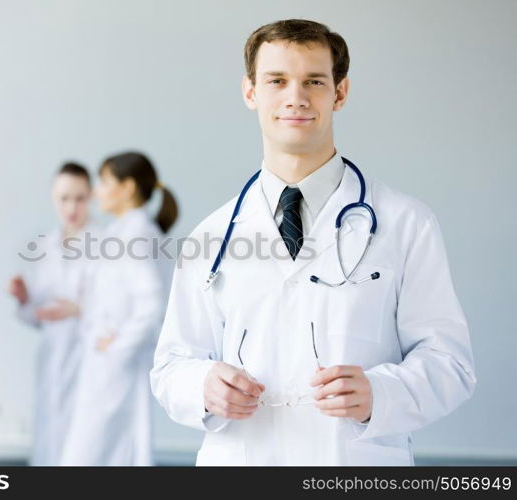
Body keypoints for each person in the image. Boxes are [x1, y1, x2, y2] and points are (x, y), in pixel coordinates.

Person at [150, 19, 476, 466]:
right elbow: (170, 366)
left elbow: (450, 364)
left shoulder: (406, 222)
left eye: (314, 81)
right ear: (251, 92)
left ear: (340, 93)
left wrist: (381, 393)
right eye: (277, 81)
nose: (295, 97)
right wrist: (202, 387)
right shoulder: (211, 235)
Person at [60, 152, 177, 465]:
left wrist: (118, 347)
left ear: (127, 188)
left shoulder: (136, 234)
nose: (96, 191)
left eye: (105, 182)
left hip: (117, 365)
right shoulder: (123, 231)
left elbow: (151, 304)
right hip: (105, 363)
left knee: (94, 454)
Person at [7, 162, 98, 465]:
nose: (72, 207)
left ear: (92, 197)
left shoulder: (106, 245)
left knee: (86, 443)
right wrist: (24, 301)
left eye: (80, 198)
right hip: (53, 358)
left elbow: (118, 313)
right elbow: (38, 316)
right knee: (51, 441)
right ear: (53, 199)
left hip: (89, 359)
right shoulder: (44, 247)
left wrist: (81, 309)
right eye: (64, 198)